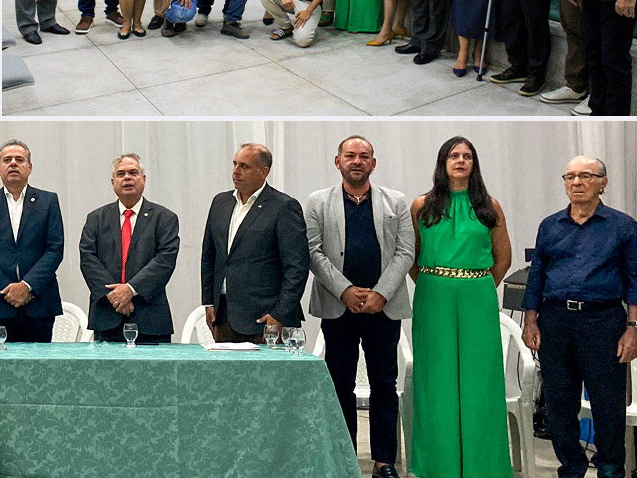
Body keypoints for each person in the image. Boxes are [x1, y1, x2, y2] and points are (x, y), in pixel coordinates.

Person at [523, 156, 637, 478]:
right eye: (570, 176)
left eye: (585, 176)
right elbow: (537, 277)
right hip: (556, 321)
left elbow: (634, 279)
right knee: (559, 406)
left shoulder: (623, 226)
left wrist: (633, 328)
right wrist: (530, 320)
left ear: (603, 183)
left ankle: (611, 470)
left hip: (603, 322)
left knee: (608, 407)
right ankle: (571, 468)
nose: (576, 183)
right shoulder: (550, 225)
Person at [306, 137, 414, 478]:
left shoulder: (395, 201)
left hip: (384, 309)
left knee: (385, 384)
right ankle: (344, 458)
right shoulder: (318, 202)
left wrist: (381, 292)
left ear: (373, 163)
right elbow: (313, 251)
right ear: (337, 161)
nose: (357, 161)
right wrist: (345, 290)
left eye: (364, 156)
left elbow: (405, 252)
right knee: (340, 385)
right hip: (339, 309)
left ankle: (384, 462)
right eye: (350, 156)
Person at [408, 136, 513, 478]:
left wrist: (475, 284)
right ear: (443, 162)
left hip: (477, 296)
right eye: (454, 155)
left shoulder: (490, 206)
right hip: (433, 296)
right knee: (435, 379)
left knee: (479, 381)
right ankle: (439, 466)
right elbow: (412, 256)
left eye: (468, 156)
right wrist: (435, 280)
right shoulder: (421, 205)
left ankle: (484, 466)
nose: (461, 161)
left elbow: (503, 259)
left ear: (474, 164)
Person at [200, 144, 308, 343]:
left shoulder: (283, 206)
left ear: (263, 172)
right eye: (234, 165)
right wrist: (208, 301)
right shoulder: (220, 202)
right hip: (224, 316)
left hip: (266, 318)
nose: (236, 171)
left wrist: (280, 314)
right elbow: (210, 256)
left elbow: (297, 267)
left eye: (244, 166)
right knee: (226, 374)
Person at [0, 140, 64, 343]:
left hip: (39, 302)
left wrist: (27, 286)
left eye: (19, 160)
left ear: (29, 167)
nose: (13, 163)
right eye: (7, 160)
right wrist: (9, 289)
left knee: (38, 368)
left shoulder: (48, 201)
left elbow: (55, 249)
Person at [79, 154, 179, 344]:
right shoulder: (96, 218)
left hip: (150, 318)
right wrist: (115, 296)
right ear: (113, 181)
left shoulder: (164, 218)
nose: (127, 178)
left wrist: (131, 290)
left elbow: (165, 260)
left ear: (144, 179)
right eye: (121, 174)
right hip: (107, 316)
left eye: (133, 173)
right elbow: (88, 259)